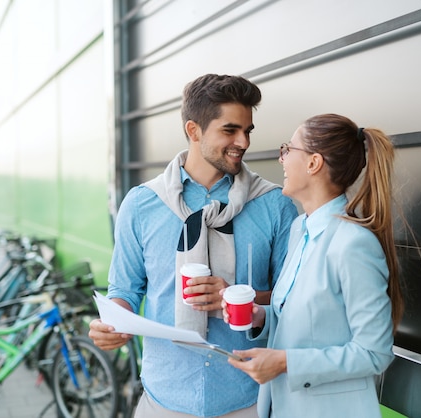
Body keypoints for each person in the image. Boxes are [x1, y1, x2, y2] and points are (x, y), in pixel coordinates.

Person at [88, 74, 298, 417]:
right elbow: (125, 289)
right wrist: (114, 324)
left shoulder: (275, 205)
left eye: (248, 130)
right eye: (230, 130)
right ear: (193, 130)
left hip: (247, 399)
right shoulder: (142, 204)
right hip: (163, 398)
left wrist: (240, 295)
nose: (243, 142)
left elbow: (294, 299)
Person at [223, 113, 404, 418]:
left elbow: (374, 353)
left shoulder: (353, 244)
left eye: (288, 149)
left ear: (313, 163)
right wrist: (261, 317)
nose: (282, 159)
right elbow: (311, 323)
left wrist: (284, 362)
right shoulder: (299, 230)